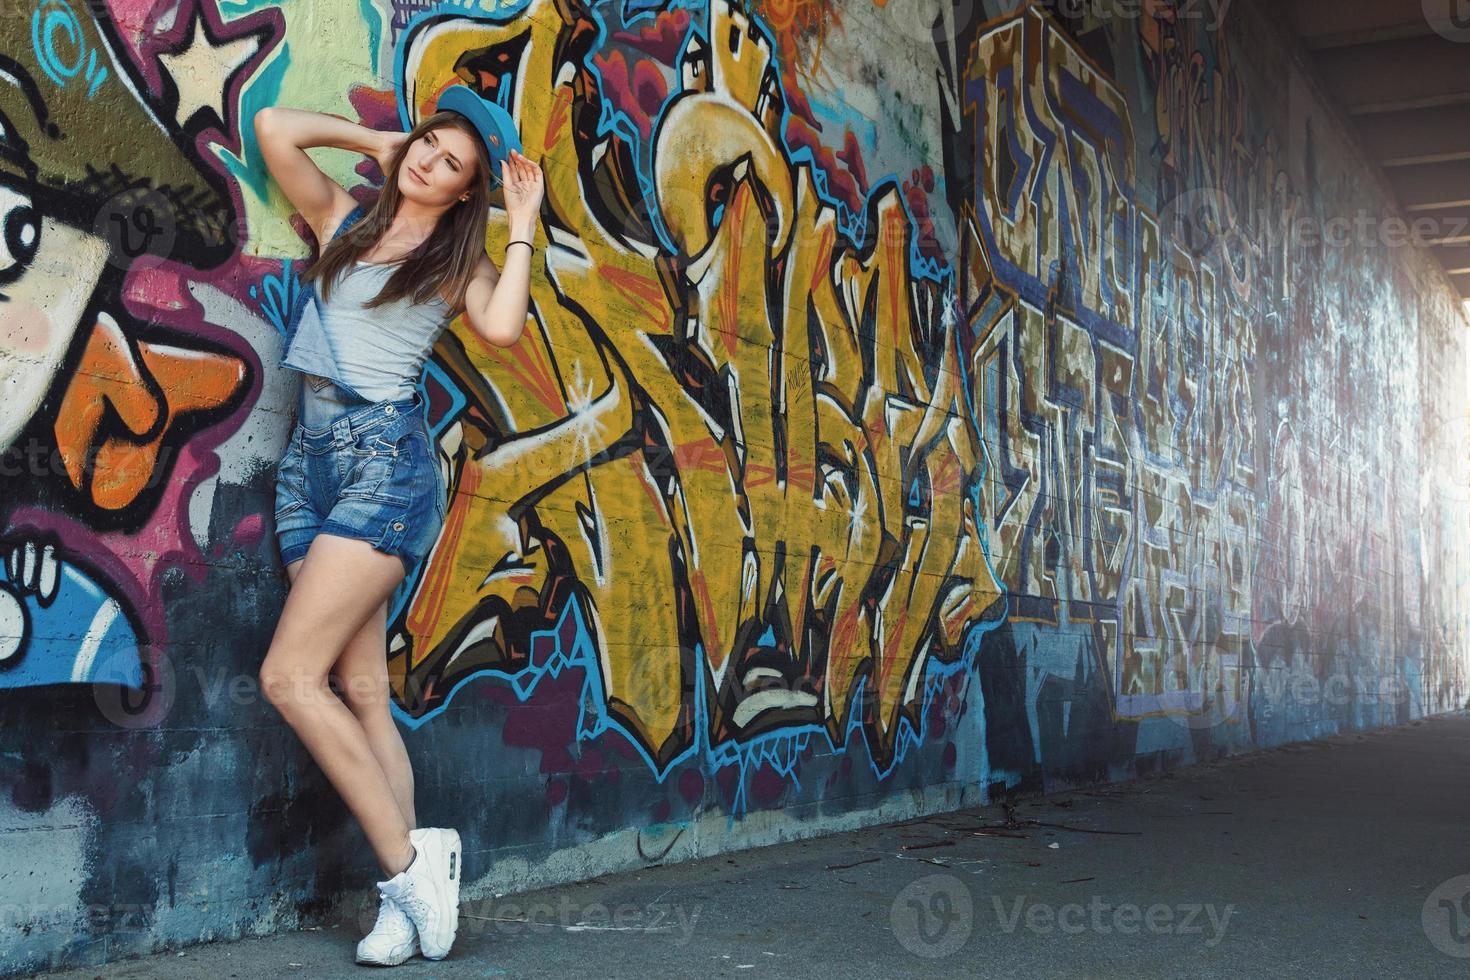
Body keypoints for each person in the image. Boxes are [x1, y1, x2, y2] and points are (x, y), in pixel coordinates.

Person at [252, 88, 542, 965]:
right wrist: (375, 136)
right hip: (311, 464)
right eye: (427, 145)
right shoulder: (343, 220)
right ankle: (411, 909)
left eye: (452, 164)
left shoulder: (456, 265)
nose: (429, 162)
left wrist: (519, 221)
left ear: (466, 193)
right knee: (364, 689)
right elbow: (275, 128)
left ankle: (413, 866)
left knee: (288, 679)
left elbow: (501, 326)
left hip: (385, 466)